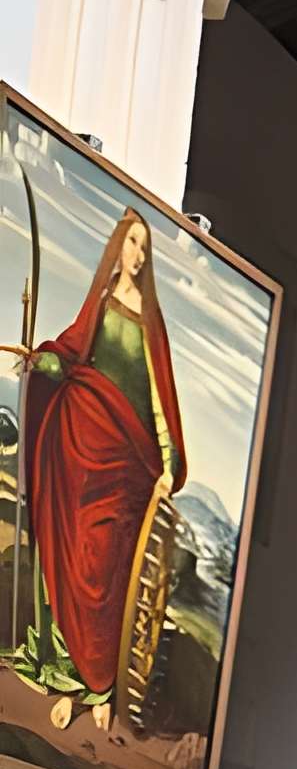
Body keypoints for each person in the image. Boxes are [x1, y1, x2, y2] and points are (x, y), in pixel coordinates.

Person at [13, 207, 184, 732]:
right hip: (78, 449)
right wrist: (37, 360)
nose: (136, 256)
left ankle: (100, 686)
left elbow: (159, 403)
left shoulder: (150, 322)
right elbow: (68, 357)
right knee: (71, 562)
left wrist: (169, 463)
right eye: (130, 244)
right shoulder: (101, 304)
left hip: (127, 468)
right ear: (116, 247)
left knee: (107, 572)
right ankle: (67, 678)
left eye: (144, 249)